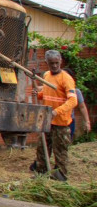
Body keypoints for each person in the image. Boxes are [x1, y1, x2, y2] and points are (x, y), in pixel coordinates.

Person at [31, 49, 77, 181]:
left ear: (60, 61)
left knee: (60, 152)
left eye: (57, 63)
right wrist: (38, 95)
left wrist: (56, 112)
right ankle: (41, 176)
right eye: (52, 63)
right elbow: (47, 94)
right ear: (47, 63)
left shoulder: (66, 79)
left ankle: (60, 178)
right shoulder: (46, 76)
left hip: (61, 123)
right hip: (47, 121)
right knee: (42, 150)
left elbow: (73, 101)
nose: (55, 66)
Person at [64, 68, 91, 140]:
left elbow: (82, 107)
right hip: (56, 121)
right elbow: (40, 89)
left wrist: (87, 122)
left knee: (67, 142)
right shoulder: (55, 90)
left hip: (70, 121)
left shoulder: (75, 91)